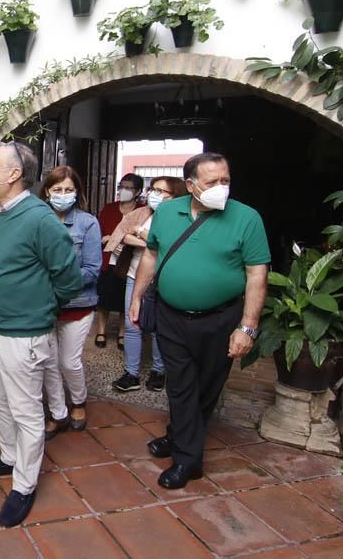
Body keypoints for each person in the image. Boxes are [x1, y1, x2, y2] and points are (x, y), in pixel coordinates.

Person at [130, 152, 269, 489]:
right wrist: (136, 296)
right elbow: (151, 254)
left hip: (221, 320)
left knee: (206, 388)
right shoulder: (167, 212)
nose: (221, 188)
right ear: (191, 186)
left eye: (226, 180)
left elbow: (256, 274)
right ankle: (187, 461)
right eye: (212, 182)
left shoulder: (247, 218)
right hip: (171, 316)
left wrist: (246, 327)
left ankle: (177, 435)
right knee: (180, 386)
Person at [0, 142, 83, 527]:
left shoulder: (41, 219)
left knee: (26, 413)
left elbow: (69, 278)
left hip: (23, 336)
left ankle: (24, 485)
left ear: (14, 174)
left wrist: (38, 308)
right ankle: (8, 458)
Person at [108, 176, 188, 393]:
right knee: (132, 323)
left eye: (163, 192)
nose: (156, 195)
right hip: (135, 276)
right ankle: (131, 373)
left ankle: (158, 371)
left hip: (164, 280)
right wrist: (149, 240)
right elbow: (122, 236)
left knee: (158, 327)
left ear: (177, 196)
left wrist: (142, 234)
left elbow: (172, 245)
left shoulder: (183, 219)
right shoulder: (142, 213)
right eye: (154, 189)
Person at [39, 167, 102, 437]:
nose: (63, 195)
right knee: (48, 362)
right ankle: (58, 412)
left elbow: (92, 269)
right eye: (57, 190)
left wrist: (56, 285)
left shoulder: (87, 223)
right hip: (43, 307)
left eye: (68, 190)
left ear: (77, 192)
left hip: (78, 304)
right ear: (46, 192)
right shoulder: (37, 221)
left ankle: (78, 401)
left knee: (68, 362)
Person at [95, 173, 143, 349]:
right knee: (104, 300)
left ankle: (122, 333)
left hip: (129, 263)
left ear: (137, 191)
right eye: (122, 186)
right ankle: (101, 331)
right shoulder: (109, 209)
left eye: (129, 188)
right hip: (108, 261)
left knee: (126, 301)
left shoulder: (143, 210)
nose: (124, 190)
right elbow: (98, 234)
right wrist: (107, 239)